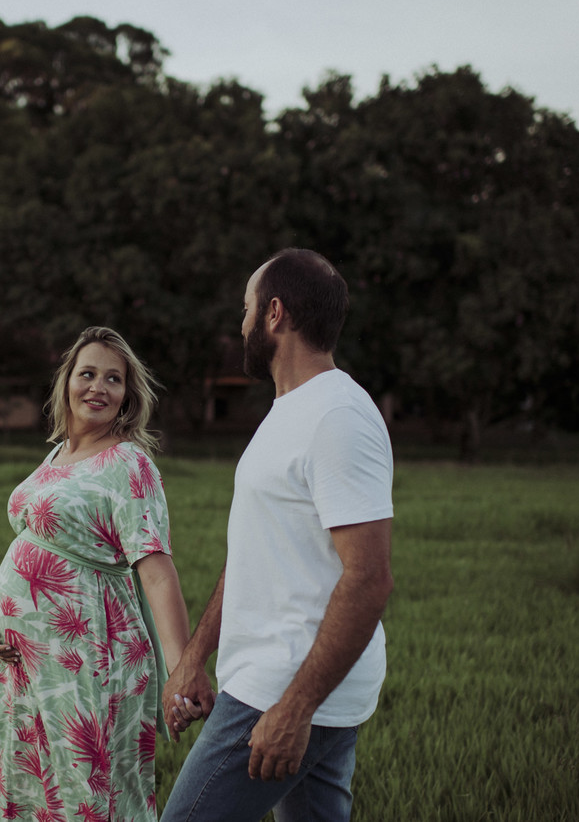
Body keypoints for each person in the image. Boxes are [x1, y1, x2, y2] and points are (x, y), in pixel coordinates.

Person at [160, 248, 395, 822]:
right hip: (287, 682)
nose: (239, 324)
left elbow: (368, 577)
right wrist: (194, 656)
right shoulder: (288, 411)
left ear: (274, 314)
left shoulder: (338, 417)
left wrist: (296, 708)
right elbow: (252, 554)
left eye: (245, 309)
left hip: (285, 689)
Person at [0, 326, 196, 822]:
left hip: (90, 659)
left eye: (113, 379)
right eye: (88, 374)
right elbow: (44, 546)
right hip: (29, 663)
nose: (98, 388)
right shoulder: (58, 453)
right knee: (27, 783)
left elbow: (157, 571)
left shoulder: (129, 463)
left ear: (127, 395)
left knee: (86, 793)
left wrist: (182, 671)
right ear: (67, 383)